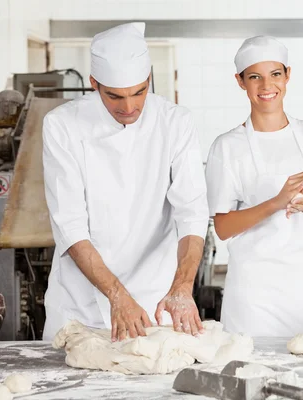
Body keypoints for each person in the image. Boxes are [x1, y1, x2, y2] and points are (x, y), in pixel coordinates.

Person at [42, 22, 209, 342]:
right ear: (94, 83)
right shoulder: (62, 125)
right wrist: (116, 295)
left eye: (139, 92)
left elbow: (192, 211)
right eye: (115, 96)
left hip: (153, 300)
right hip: (80, 304)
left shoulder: (175, 121)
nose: (129, 107)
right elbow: (70, 224)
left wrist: (182, 287)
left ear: (149, 80)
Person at [205, 36, 303, 337]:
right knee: (250, 371)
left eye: (275, 75)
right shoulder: (227, 146)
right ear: (240, 81)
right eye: (254, 77)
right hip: (253, 292)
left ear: (288, 76)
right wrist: (277, 201)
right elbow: (223, 227)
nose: (266, 86)